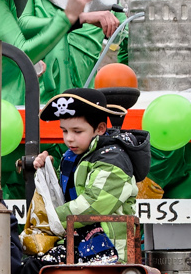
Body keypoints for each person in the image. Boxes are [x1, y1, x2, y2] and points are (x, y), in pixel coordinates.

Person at [33, 88, 150, 258]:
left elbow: (92, 205)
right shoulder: (75, 156)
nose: (69, 138)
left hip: (110, 252)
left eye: (77, 131)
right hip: (83, 244)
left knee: (34, 269)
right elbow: (67, 193)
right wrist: (48, 169)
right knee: (31, 266)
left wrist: (47, 219)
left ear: (100, 128)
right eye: (64, 131)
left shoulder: (113, 160)